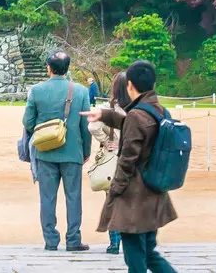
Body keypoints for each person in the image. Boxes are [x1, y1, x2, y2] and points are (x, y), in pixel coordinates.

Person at [97, 60, 177, 273]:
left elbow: (127, 159)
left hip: (134, 197)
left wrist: (115, 190)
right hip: (155, 191)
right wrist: (105, 115)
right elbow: (139, 125)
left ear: (129, 85)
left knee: (135, 259)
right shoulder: (160, 110)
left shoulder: (136, 116)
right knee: (150, 254)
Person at [24, 49, 93, 252]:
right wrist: (85, 150)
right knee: (73, 196)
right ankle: (73, 240)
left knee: (47, 197)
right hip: (73, 151)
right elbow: (85, 125)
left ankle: (50, 241)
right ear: (67, 68)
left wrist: (44, 130)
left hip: (45, 151)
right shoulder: (80, 91)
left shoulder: (36, 90)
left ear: (49, 68)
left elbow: (27, 121)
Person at [87, 73, 130, 257]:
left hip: (112, 159)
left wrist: (107, 140)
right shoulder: (140, 110)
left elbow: (92, 126)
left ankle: (114, 243)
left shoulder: (108, 109)